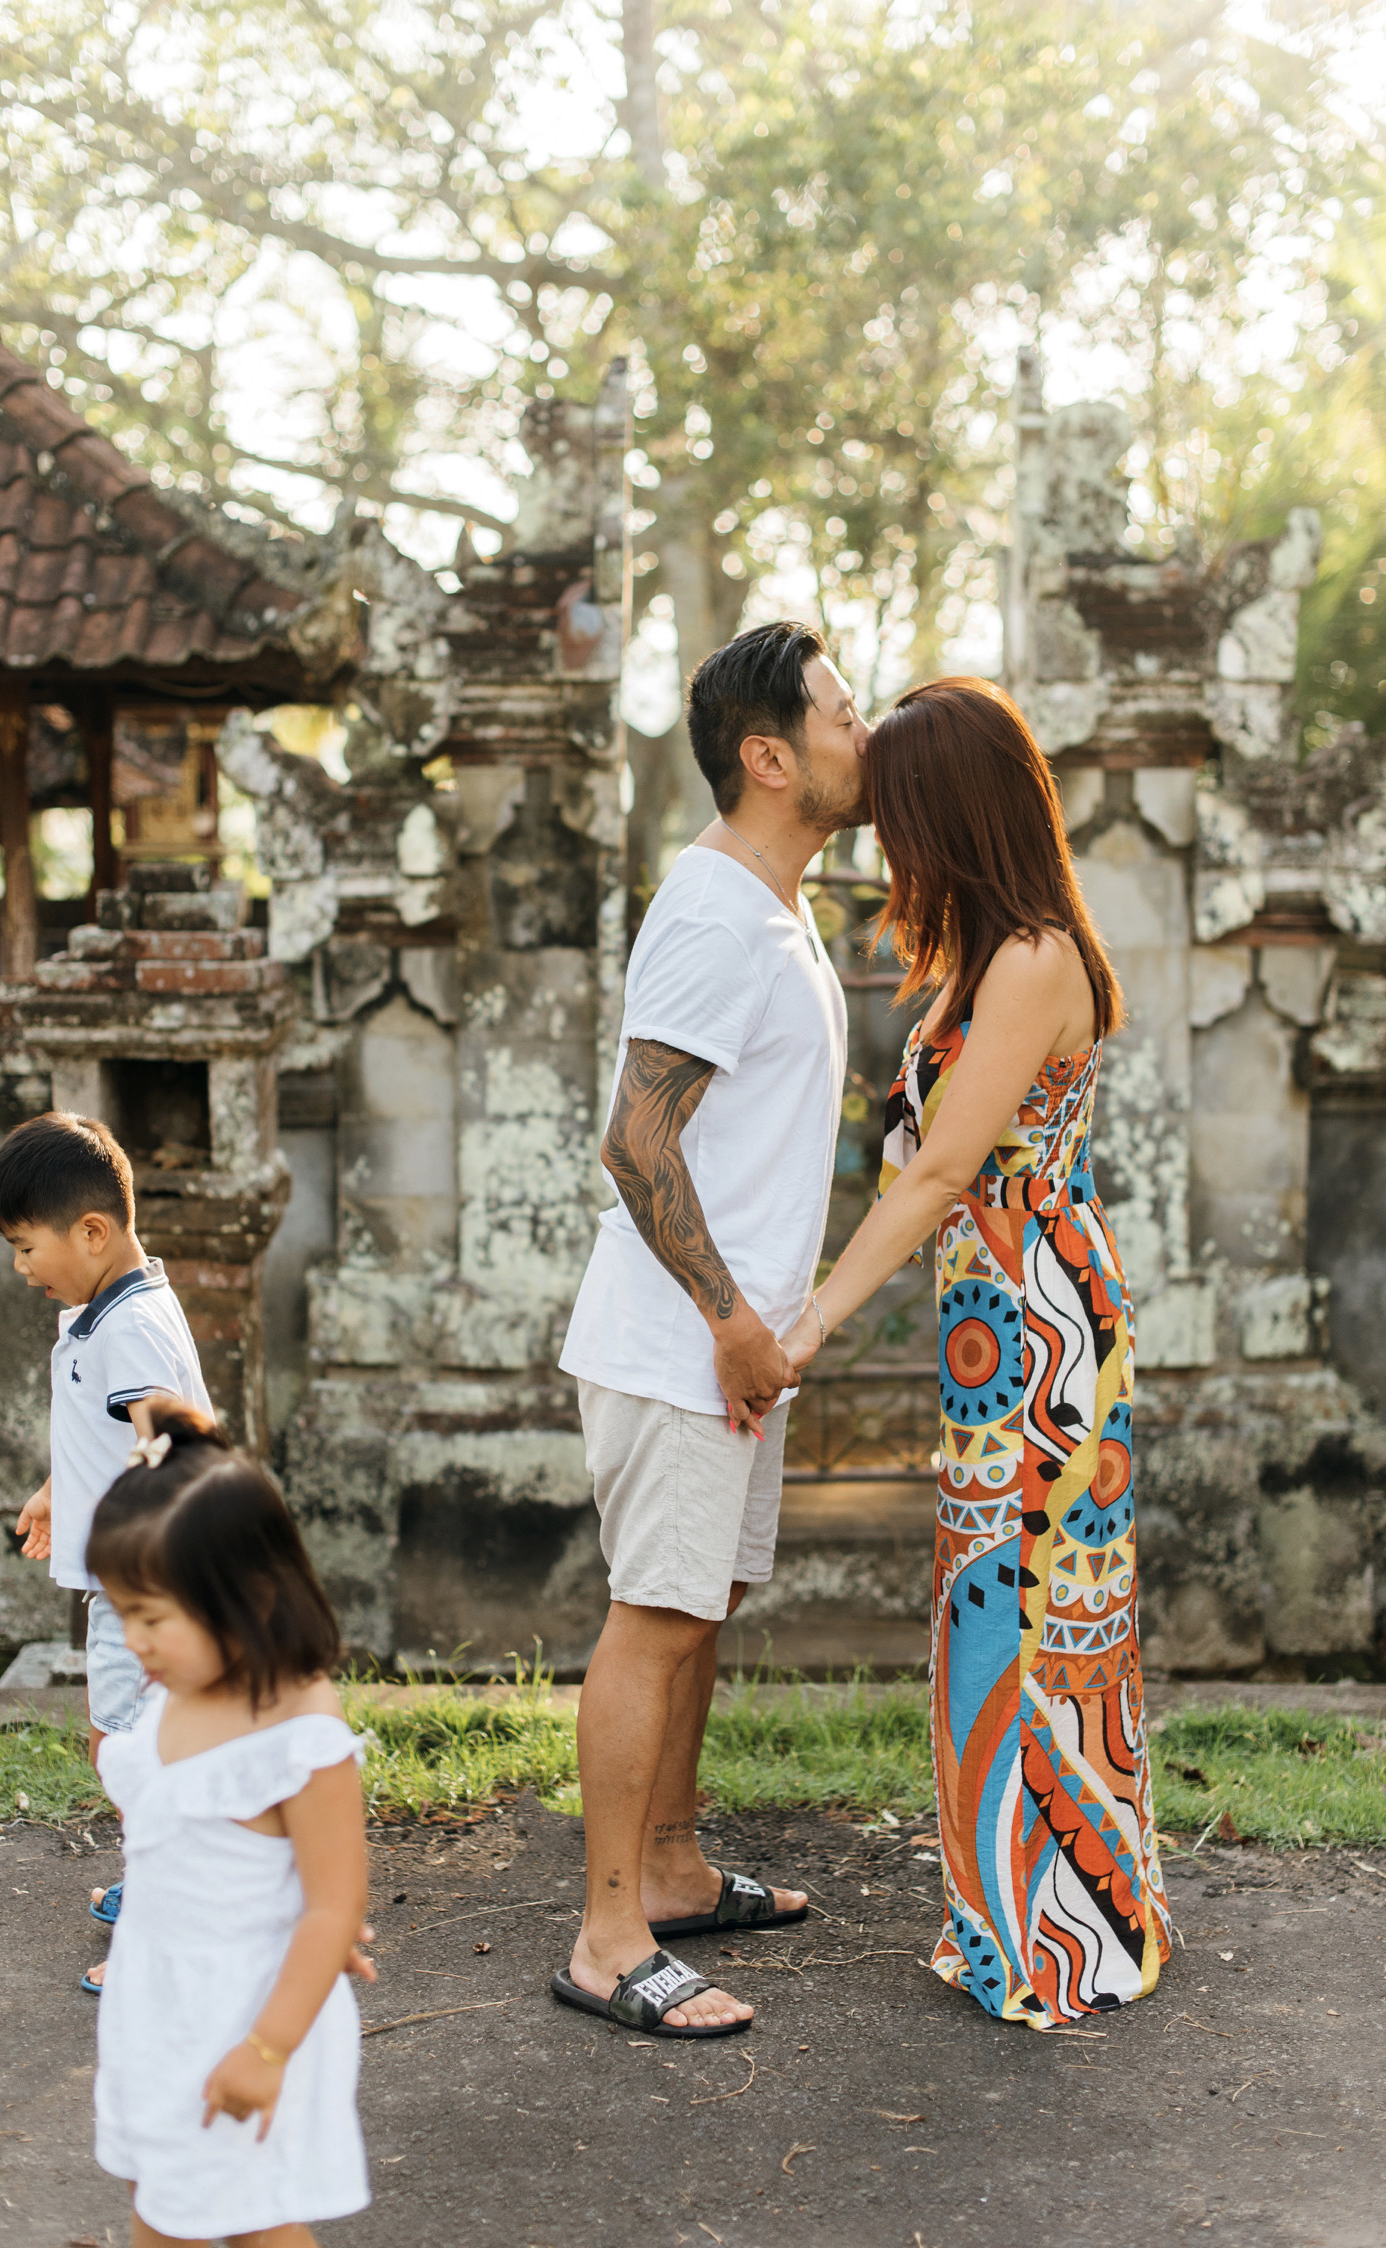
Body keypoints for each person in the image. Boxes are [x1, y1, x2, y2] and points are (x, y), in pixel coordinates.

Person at [780, 677, 1173, 2026]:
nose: (888, 841)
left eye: (901, 815)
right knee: (991, 1613)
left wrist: (815, 1320)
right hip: (992, 1327)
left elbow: (947, 1166)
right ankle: (1013, 1923)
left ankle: (1073, 1943)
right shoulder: (985, 949)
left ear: (955, 811)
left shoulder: (1034, 958)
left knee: (1041, 1618)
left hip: (1040, 1327)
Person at [554, 620, 868, 2036]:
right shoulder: (712, 912)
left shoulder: (773, 906)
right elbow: (636, 1141)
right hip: (685, 1341)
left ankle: (673, 1868)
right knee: (654, 1617)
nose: (863, 734)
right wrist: (735, 1322)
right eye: (842, 714)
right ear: (769, 756)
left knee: (702, 1608)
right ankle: (609, 1937)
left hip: (730, 1347)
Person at [85, 1402, 370, 2247]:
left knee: (238, 2220)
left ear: (250, 1594)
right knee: (163, 2191)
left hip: (244, 2016)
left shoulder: (300, 1737)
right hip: (156, 2000)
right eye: (121, 1614)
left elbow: (335, 1907)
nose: (133, 1640)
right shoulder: (178, 1691)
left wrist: (268, 2048)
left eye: (151, 1617)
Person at [0, 1110, 213, 1989]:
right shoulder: (99, 1313)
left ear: (90, 1232)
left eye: (26, 1246)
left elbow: (173, 1444)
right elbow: (108, 1431)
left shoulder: (130, 1326)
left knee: (131, 1752)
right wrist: (60, 1489)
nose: (20, 1266)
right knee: (126, 1746)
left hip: (146, 1585)